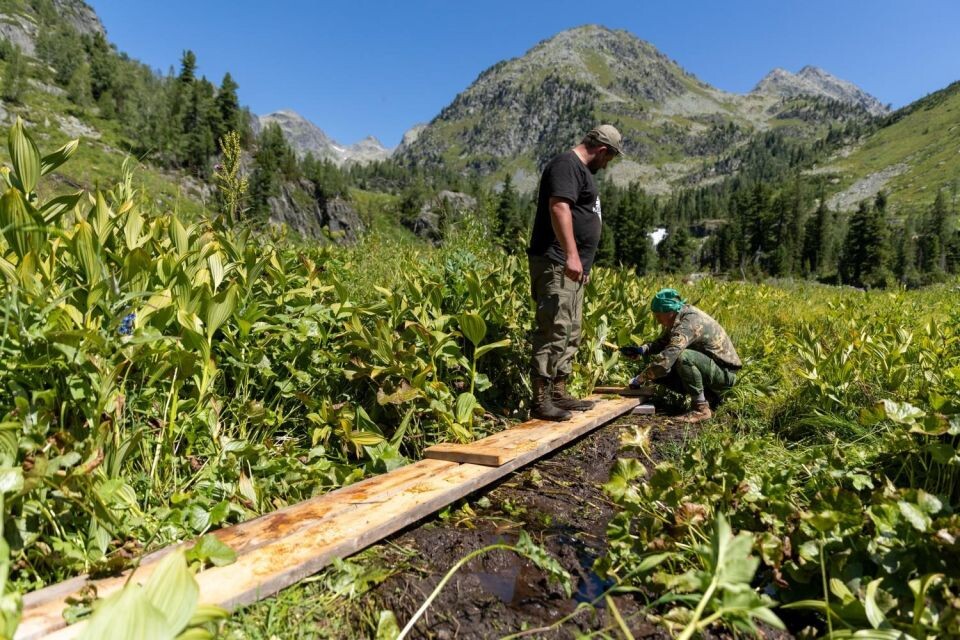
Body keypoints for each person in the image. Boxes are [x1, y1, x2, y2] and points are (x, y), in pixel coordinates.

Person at [527, 125, 625, 421]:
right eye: (609, 159)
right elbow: (559, 208)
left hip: (572, 267)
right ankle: (541, 400)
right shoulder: (566, 165)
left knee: (571, 329)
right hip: (556, 261)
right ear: (602, 150)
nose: (606, 165)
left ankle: (559, 392)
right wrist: (571, 254)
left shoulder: (581, 172)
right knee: (553, 327)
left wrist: (582, 262)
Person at [623, 288, 741, 423]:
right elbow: (664, 341)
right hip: (713, 369)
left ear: (669, 312)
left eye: (658, 316)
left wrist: (640, 379)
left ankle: (701, 409)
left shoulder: (688, 323)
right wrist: (641, 350)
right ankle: (711, 397)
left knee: (681, 358)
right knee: (660, 372)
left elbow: (667, 359)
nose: (658, 321)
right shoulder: (681, 316)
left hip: (726, 375)